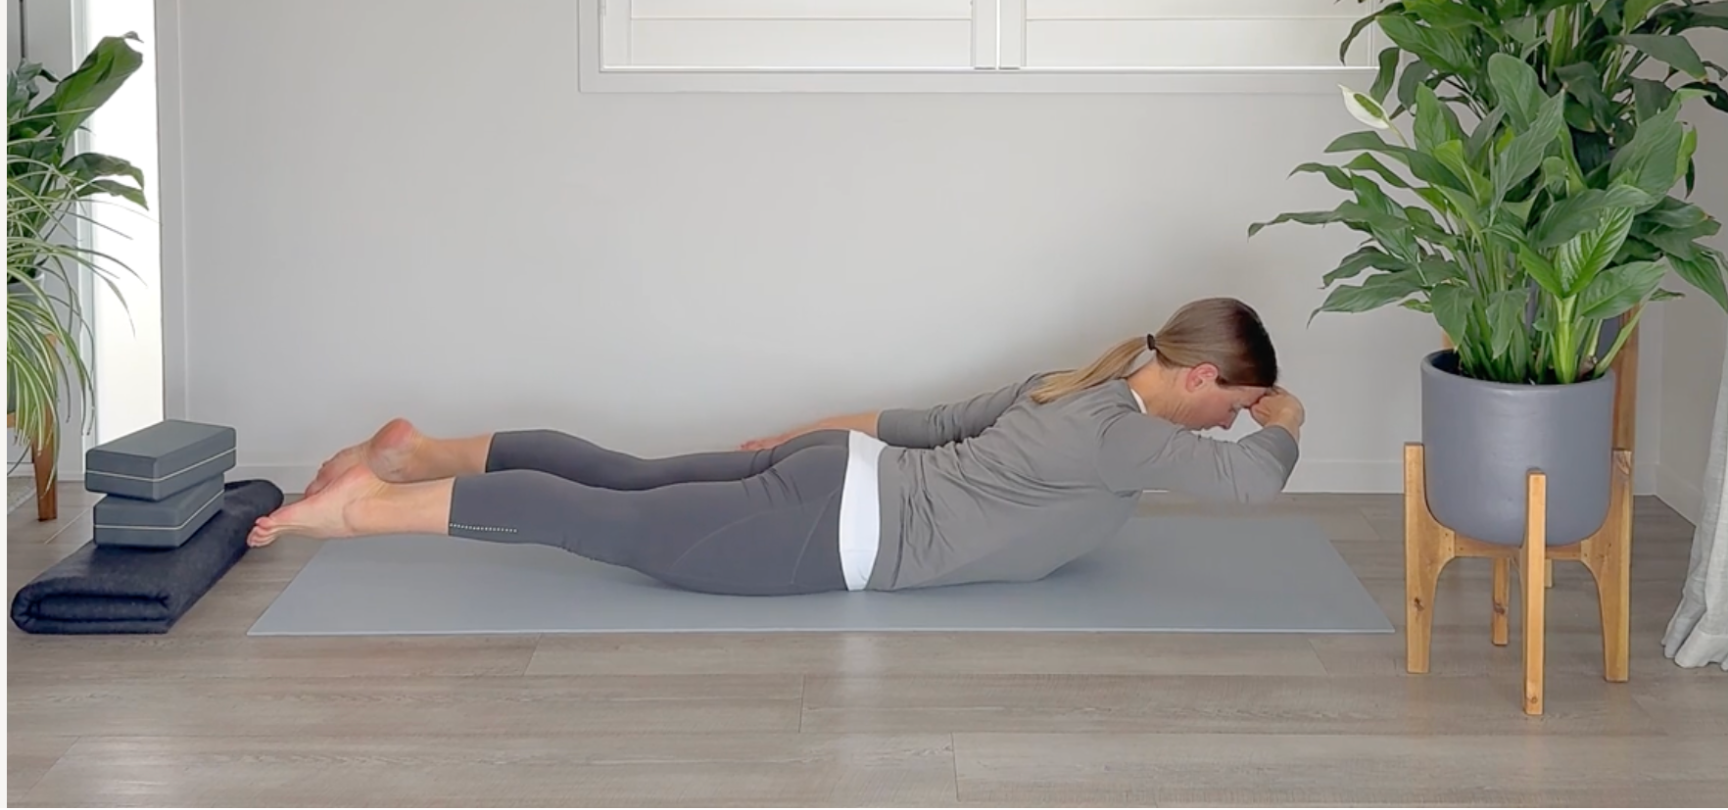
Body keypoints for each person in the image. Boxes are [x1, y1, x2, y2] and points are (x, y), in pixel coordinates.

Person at [250, 297, 1307, 596]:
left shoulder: (1072, 380)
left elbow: (928, 425)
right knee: (606, 522)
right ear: (1205, 377)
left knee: (629, 473)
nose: (1239, 420)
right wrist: (1292, 427)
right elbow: (1254, 486)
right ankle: (353, 514)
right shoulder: (1131, 438)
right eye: (1240, 401)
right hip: (836, 533)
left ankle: (414, 452)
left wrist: (809, 433)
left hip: (839, 475)